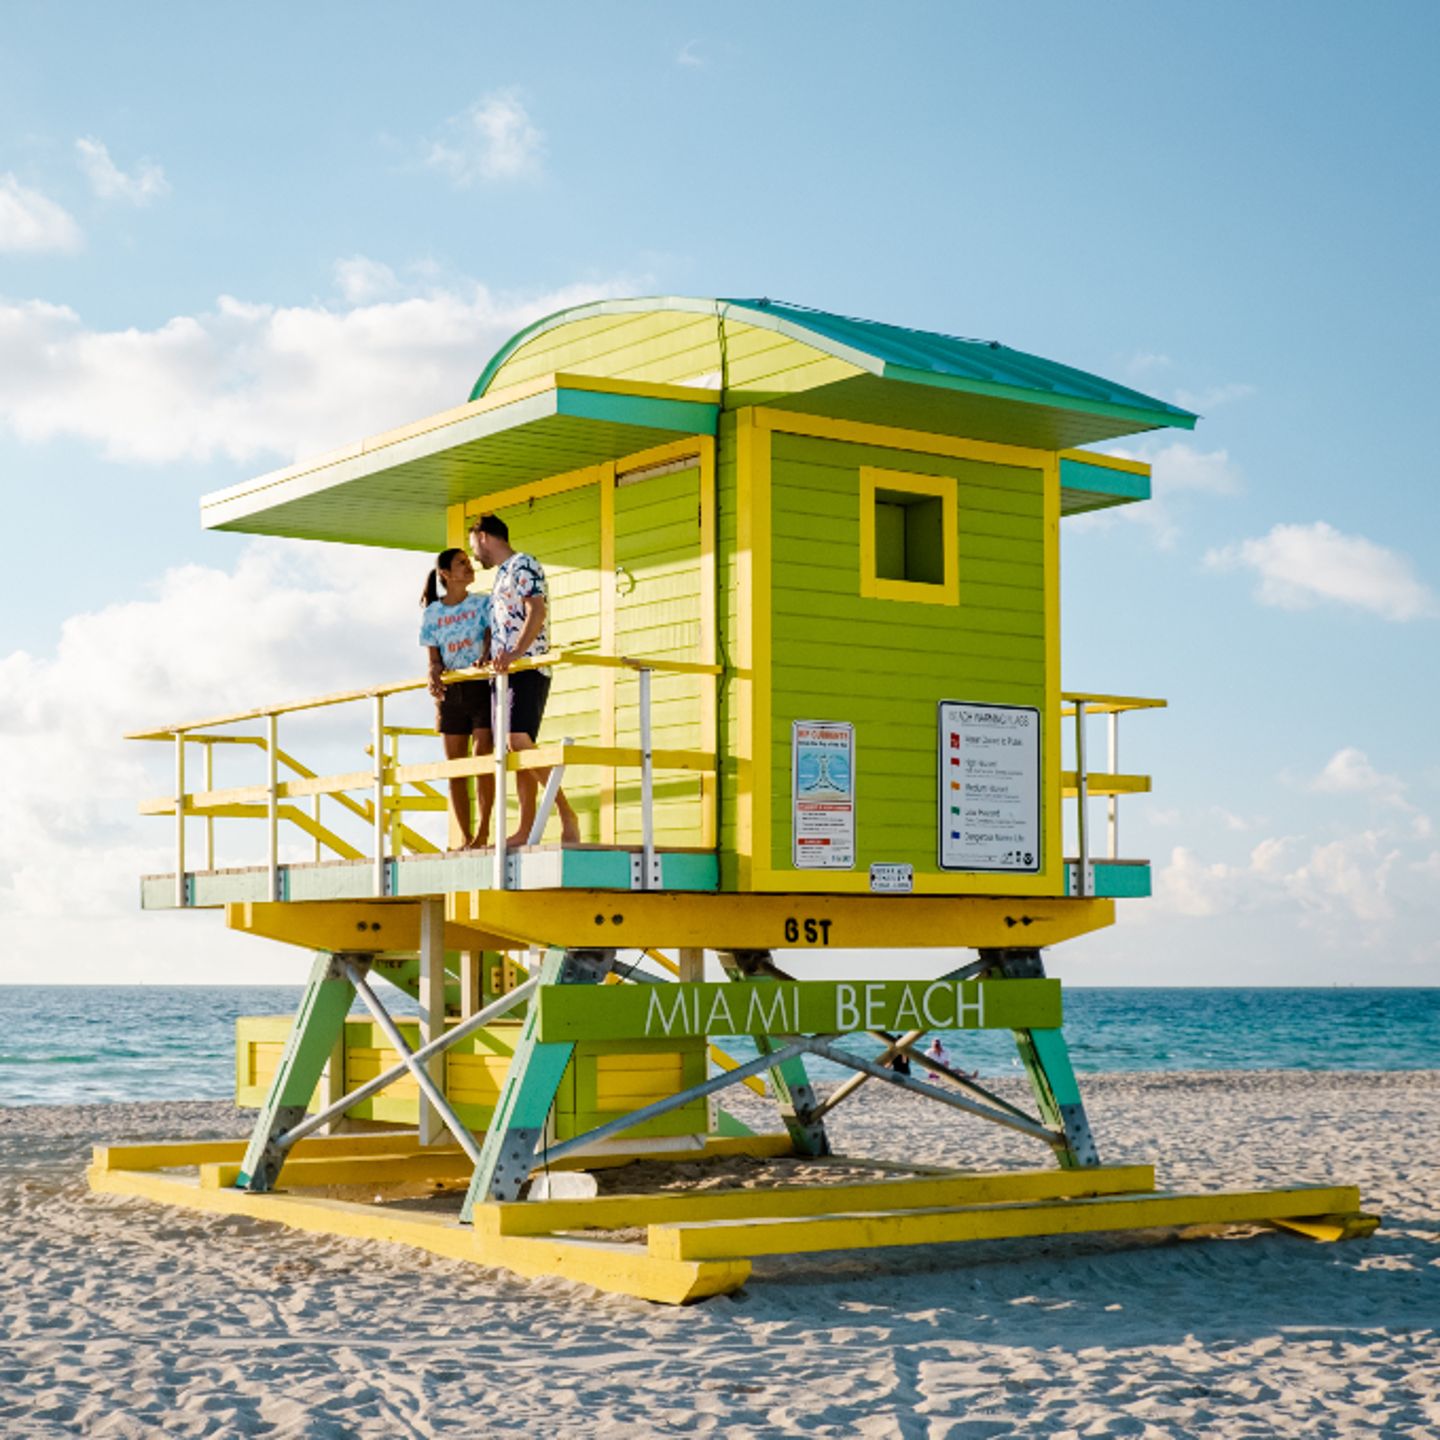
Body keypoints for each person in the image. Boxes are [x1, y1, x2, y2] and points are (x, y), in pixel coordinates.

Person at [469, 515, 581, 846]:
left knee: (517, 740)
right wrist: (488, 654)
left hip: (528, 667)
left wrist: (516, 652)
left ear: (484, 536)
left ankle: (565, 813)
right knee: (514, 747)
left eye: (473, 544)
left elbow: (537, 610)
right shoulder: (501, 574)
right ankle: (526, 829)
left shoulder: (524, 564)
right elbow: (503, 622)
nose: (474, 554)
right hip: (504, 673)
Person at [419, 547, 494, 850]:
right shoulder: (432, 613)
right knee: (455, 768)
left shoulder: (483, 602)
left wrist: (486, 655)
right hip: (450, 694)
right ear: (445, 574)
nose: (469, 565)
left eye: (468, 561)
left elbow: (490, 637)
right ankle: (465, 837)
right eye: (461, 563)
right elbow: (433, 658)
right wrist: (433, 672)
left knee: (483, 759)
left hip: (480, 686)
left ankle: (483, 834)